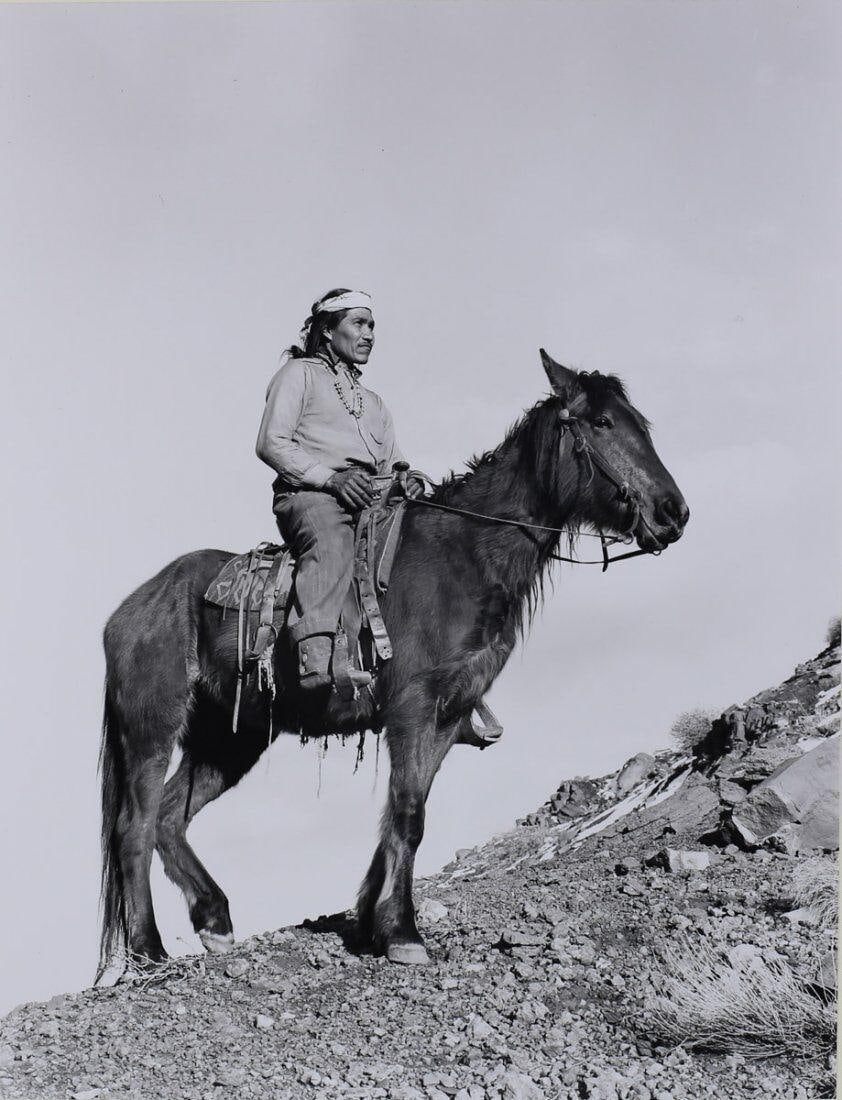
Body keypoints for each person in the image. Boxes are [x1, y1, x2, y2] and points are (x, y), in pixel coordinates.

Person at [256, 288, 421, 694]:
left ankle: (435, 671)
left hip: (372, 498)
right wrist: (331, 479)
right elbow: (272, 442)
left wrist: (407, 477)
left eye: (372, 326)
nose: (369, 334)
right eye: (358, 324)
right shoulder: (299, 374)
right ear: (328, 330)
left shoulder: (374, 402)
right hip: (312, 496)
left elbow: (392, 461)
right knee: (331, 544)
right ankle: (316, 656)